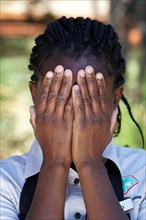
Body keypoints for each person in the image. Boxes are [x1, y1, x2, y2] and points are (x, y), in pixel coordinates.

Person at [0, 16, 145, 220]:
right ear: (35, 95)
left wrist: (89, 163)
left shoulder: (142, 171)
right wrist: (55, 162)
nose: (73, 109)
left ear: (115, 98)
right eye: (59, 96)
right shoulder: (6, 180)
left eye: (89, 97)